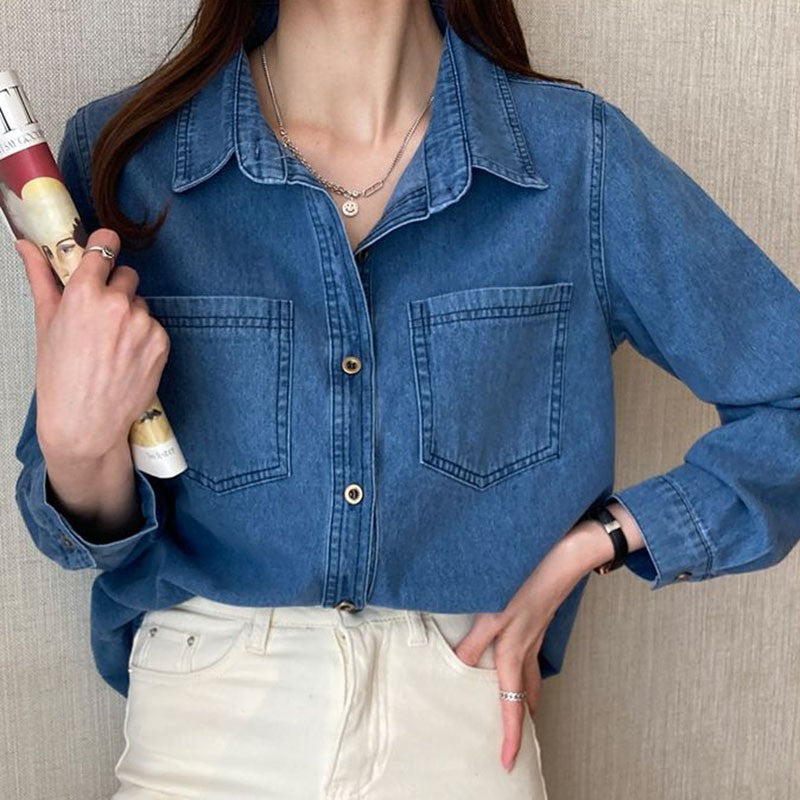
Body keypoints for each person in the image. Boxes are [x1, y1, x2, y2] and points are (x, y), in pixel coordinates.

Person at [12, 0, 800, 797]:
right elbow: (77, 534)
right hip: (205, 719)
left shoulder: (576, 160)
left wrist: (599, 541)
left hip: (462, 715)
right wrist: (76, 447)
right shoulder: (125, 158)